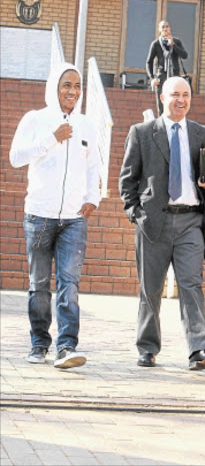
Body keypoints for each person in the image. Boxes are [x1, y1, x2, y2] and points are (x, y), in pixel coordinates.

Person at [119, 76, 205, 371]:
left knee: (191, 284)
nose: (181, 100)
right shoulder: (142, 133)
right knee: (150, 288)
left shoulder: (203, 134)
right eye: (175, 95)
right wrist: (135, 213)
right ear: (162, 98)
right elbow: (127, 179)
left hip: (191, 221)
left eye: (186, 95)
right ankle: (148, 347)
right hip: (154, 222)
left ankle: (199, 349)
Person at [9, 62, 101, 369]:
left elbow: (93, 166)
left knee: (69, 283)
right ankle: (39, 343)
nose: (73, 91)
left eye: (77, 86)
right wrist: (51, 138)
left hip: (74, 218)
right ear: (54, 87)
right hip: (39, 215)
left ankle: (66, 346)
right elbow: (15, 158)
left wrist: (93, 199)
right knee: (39, 283)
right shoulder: (35, 119)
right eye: (67, 85)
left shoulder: (87, 125)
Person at [146, 20, 188, 117]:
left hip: (175, 77)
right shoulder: (156, 44)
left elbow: (185, 55)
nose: (165, 29)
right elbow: (149, 62)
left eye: (167, 27)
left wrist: (173, 45)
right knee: (162, 105)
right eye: (163, 27)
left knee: (175, 103)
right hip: (162, 77)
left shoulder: (176, 41)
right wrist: (152, 78)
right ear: (159, 30)